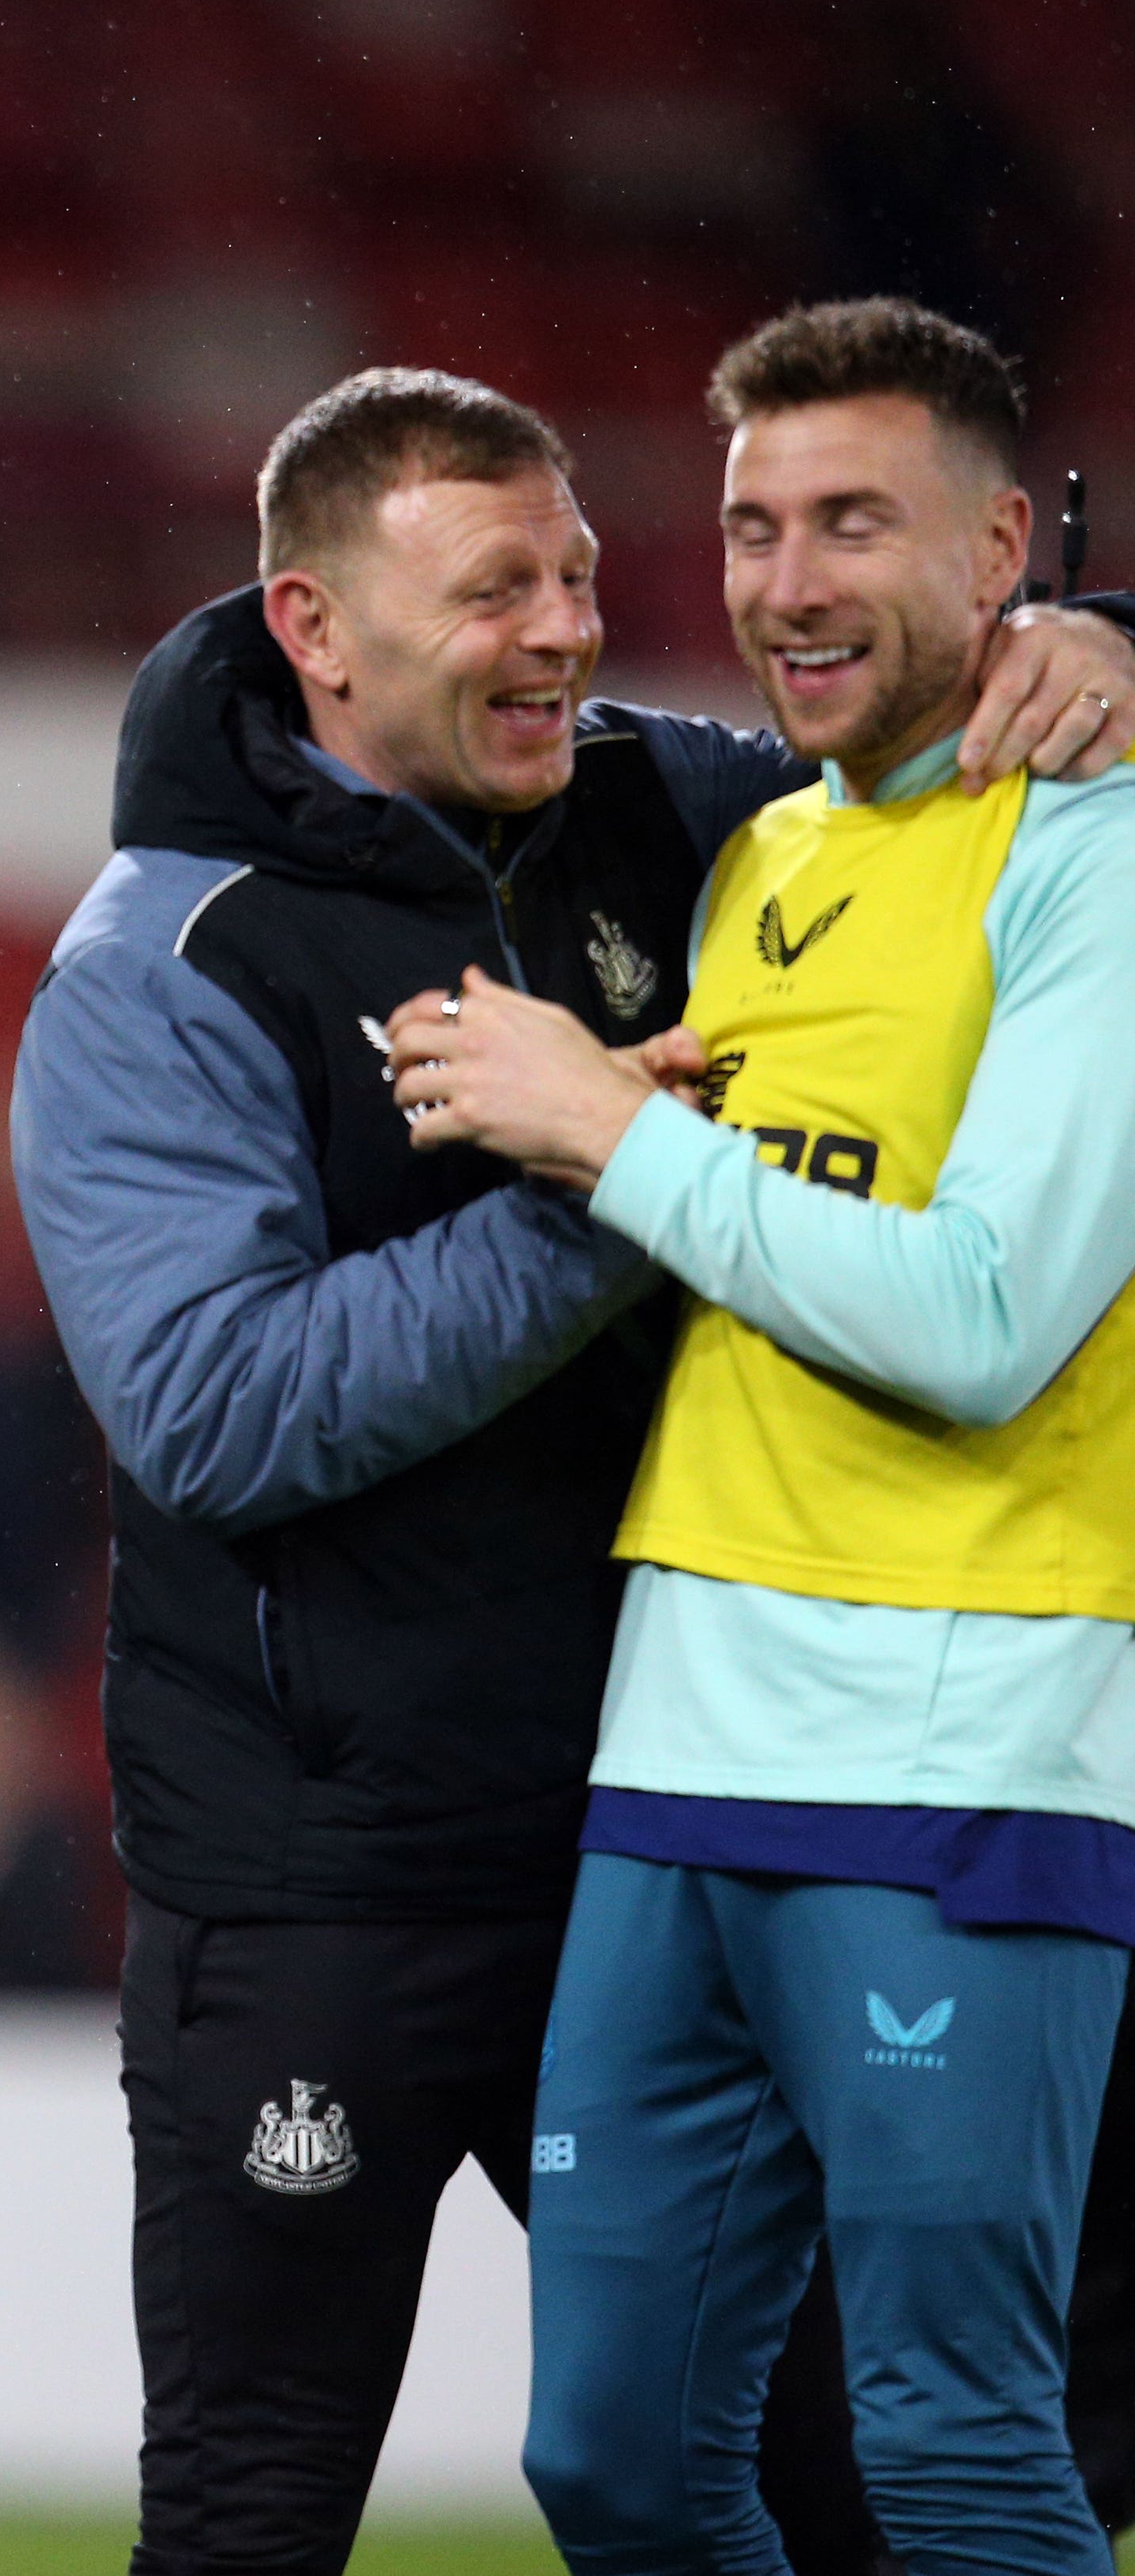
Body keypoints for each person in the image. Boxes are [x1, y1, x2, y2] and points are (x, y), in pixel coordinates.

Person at [11, 367, 1135, 2574]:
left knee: (818, 2492)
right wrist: (602, 1178)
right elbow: (223, 1411)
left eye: (582, 575)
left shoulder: (675, 812)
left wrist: (1115, 651)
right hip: (318, 1883)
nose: (563, 635)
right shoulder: (164, 964)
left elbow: (924, 718)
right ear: (314, 625)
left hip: (673, 1841)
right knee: (252, 2516)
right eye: (492, 591)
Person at [392, 298, 1135, 2574]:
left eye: (854, 525)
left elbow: (991, 1322)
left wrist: (605, 1134)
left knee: (960, 2450)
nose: (791, 582)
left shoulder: (1097, 852)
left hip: (967, 1739)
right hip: (682, 1757)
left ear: (1006, 542)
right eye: (748, 528)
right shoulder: (759, 857)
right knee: (610, 2464)